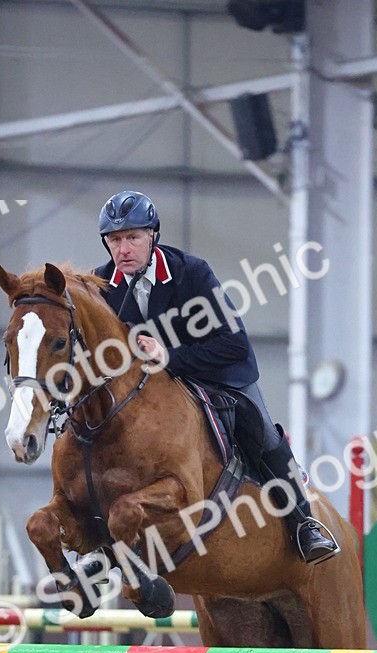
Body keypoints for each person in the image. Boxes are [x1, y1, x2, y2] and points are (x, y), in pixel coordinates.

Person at [94, 190, 339, 565]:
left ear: (153, 236)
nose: (123, 249)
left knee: (262, 432)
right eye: (114, 240)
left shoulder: (191, 273)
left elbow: (234, 344)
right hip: (155, 388)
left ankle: (304, 523)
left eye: (133, 238)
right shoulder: (102, 284)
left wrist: (168, 357)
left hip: (218, 372)